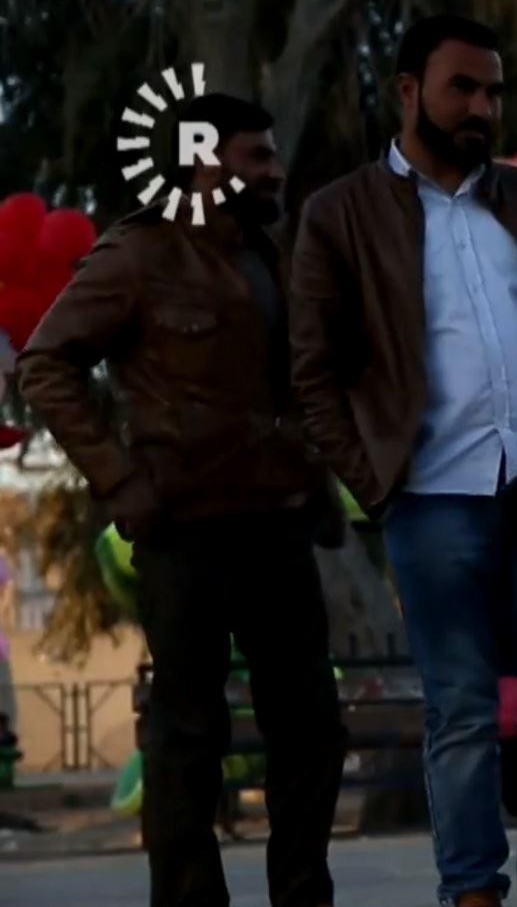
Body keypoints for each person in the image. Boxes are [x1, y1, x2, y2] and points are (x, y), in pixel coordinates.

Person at [288, 15, 517, 907]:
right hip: (431, 495)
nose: (481, 106)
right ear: (408, 92)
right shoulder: (341, 213)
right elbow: (312, 372)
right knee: (465, 710)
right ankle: (471, 891)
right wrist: (376, 484)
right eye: (462, 87)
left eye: (493, 91)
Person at [19, 94, 347, 907]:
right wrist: (121, 480)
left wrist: (319, 480)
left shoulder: (268, 257)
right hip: (184, 531)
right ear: (206, 161)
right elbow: (45, 365)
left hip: (280, 527)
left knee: (311, 730)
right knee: (188, 737)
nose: (274, 170)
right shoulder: (136, 255)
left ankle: (303, 896)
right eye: (257, 156)